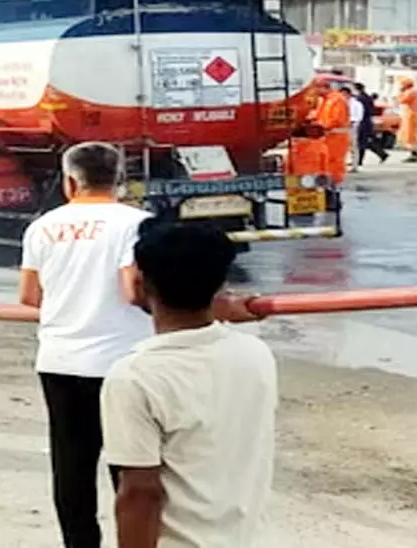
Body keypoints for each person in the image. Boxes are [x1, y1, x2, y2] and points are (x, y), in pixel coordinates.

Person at [102, 218, 276, 548]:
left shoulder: (135, 377)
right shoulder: (256, 354)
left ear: (140, 282)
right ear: (220, 283)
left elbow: (140, 492)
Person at [18, 141, 152, 548]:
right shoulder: (137, 223)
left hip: (60, 360)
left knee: (71, 466)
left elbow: (29, 296)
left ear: (69, 181)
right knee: (132, 468)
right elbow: (134, 290)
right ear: (119, 179)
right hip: (124, 362)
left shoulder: (42, 227)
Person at [396, 76, 417, 163]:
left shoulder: (409, 92)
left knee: (409, 135)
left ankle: (414, 153)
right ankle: (415, 152)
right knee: (412, 135)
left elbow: (401, 100)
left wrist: (400, 92)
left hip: (411, 115)